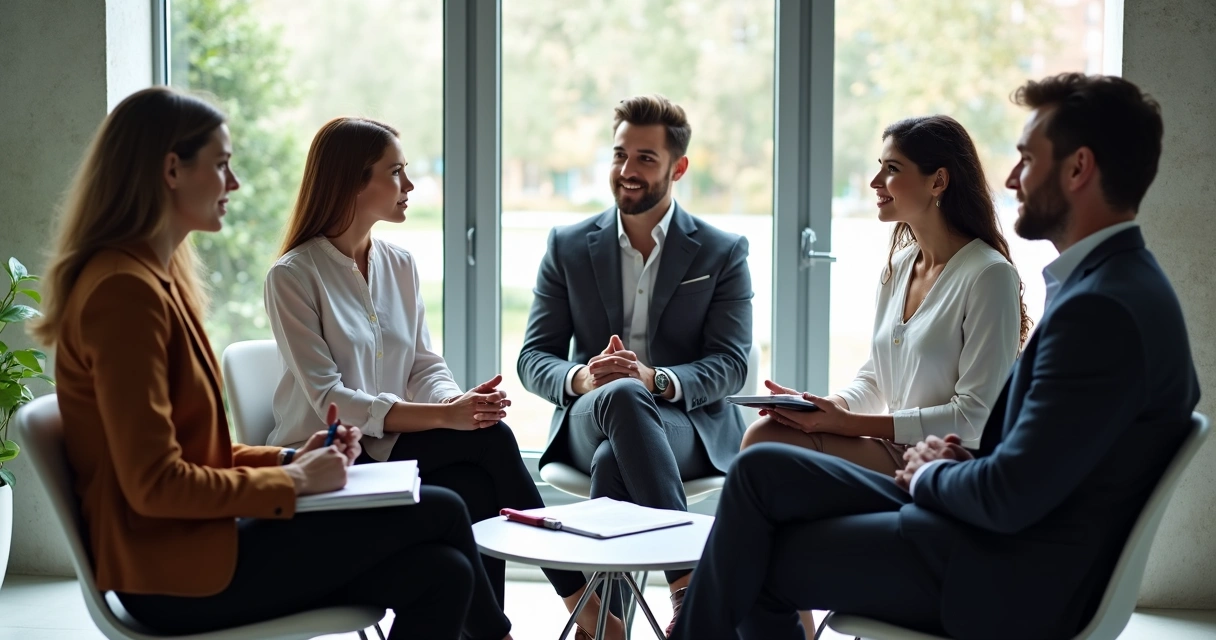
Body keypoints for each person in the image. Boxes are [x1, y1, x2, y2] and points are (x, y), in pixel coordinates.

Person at [670, 73, 1200, 640]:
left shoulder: (1101, 310)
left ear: (1078, 169)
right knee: (761, 467)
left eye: (1026, 158)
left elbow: (1008, 496)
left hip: (1000, 568)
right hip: (983, 527)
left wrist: (931, 471)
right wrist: (931, 456)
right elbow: (1031, 459)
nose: (1012, 177)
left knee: (761, 556)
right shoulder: (1110, 286)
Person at [32, 87, 513, 640]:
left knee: (444, 573)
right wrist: (291, 479)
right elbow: (154, 485)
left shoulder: (150, 281)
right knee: (446, 509)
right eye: (221, 165)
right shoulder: (125, 295)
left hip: (200, 544)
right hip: (172, 575)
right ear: (171, 170)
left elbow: (193, 452)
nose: (233, 183)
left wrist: (287, 455)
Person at [264, 117, 616, 640]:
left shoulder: (399, 264)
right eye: (396, 173)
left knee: (478, 473)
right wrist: (444, 417)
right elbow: (329, 398)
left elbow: (424, 365)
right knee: (489, 446)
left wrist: (459, 406)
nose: (409, 186)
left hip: (388, 447)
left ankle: (502, 631)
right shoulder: (293, 276)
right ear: (352, 182)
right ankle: (578, 605)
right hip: (331, 456)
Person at [740, 115, 1027, 636]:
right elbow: (875, 374)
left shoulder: (989, 277)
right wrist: (823, 408)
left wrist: (849, 427)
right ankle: (791, 621)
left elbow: (977, 417)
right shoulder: (901, 264)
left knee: (766, 461)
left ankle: (750, 612)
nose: (875, 183)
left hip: (942, 464)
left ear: (938, 181)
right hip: (885, 446)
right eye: (879, 168)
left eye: (891, 170)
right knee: (768, 434)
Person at [518, 94, 754, 634]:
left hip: (683, 426)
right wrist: (582, 377)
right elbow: (533, 357)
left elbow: (731, 363)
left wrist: (656, 379)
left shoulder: (721, 251)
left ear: (679, 167)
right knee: (620, 398)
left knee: (613, 459)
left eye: (646, 158)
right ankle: (688, 587)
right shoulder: (569, 245)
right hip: (590, 410)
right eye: (620, 154)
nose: (627, 171)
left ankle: (604, 627)